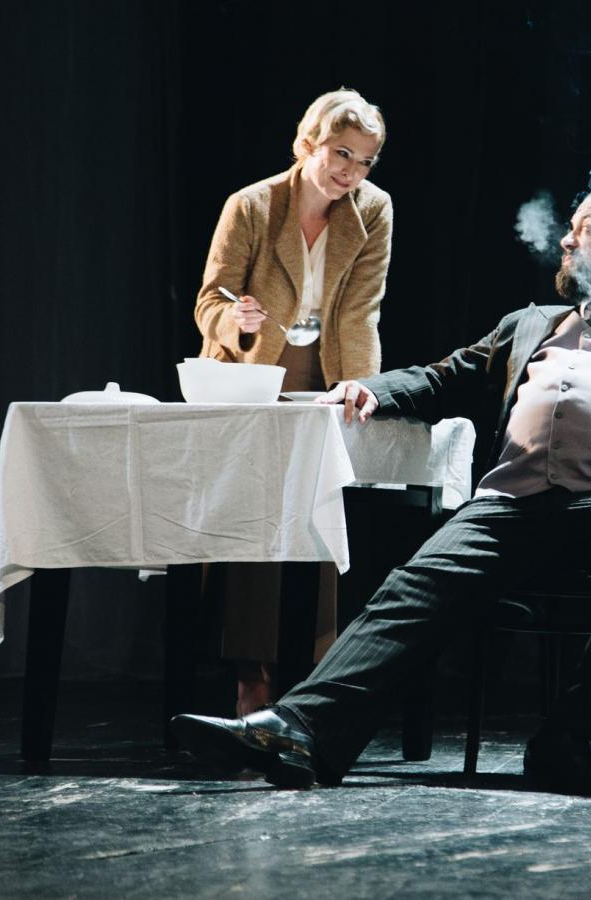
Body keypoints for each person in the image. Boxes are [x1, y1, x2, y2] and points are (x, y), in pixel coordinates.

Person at [174, 185, 591, 797]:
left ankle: (568, 740)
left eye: (585, 228)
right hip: (512, 506)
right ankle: (299, 729)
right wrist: (371, 389)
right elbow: (443, 377)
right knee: (410, 588)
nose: (566, 239)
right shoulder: (530, 324)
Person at [194, 89, 392, 715]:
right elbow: (211, 301)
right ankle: (251, 674)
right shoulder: (252, 205)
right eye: (342, 154)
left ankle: (312, 681)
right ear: (308, 144)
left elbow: (361, 310)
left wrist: (361, 385)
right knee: (252, 521)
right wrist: (237, 321)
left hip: (324, 373)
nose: (352, 172)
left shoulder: (373, 210)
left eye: (365, 160)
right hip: (250, 374)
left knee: (318, 514)